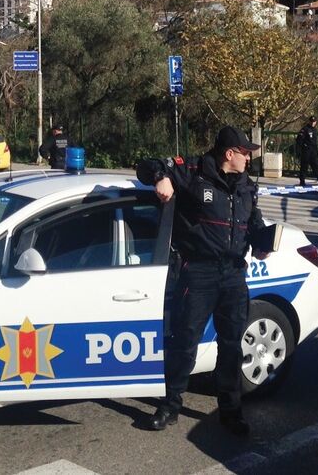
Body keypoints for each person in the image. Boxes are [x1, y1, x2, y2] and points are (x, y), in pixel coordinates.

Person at [136, 126, 265, 437]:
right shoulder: (193, 171)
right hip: (198, 272)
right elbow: (147, 165)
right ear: (229, 154)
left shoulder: (247, 185)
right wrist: (161, 178)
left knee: (232, 345)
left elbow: (253, 221)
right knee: (185, 342)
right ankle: (170, 405)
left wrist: (261, 241)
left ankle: (231, 411)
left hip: (234, 273)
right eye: (244, 152)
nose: (248, 158)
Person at [296, 116, 318, 185]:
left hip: (313, 151)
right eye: (311, 121)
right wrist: (300, 150)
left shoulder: (315, 130)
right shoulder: (305, 129)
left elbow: (314, 142)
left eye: (314, 122)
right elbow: (299, 140)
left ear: (315, 122)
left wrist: (317, 152)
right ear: (309, 121)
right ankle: (302, 181)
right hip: (306, 151)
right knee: (304, 167)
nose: (312, 123)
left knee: (316, 166)